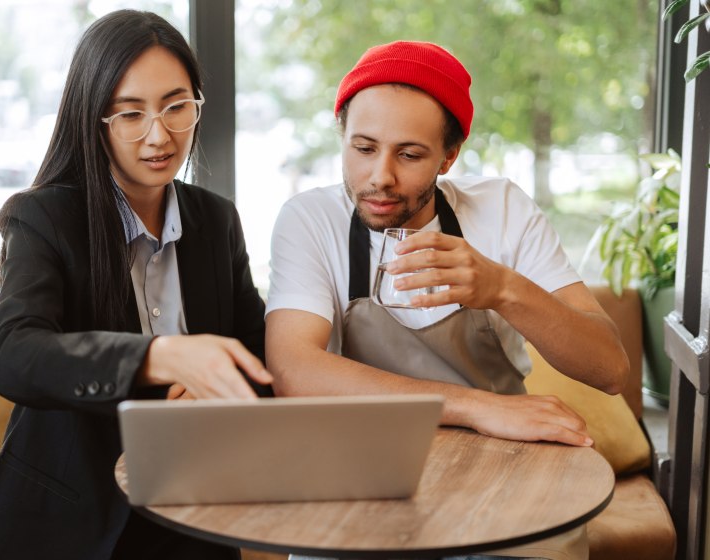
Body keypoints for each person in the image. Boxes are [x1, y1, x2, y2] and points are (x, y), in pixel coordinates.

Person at [265, 41, 630, 560]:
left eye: (410, 155)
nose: (380, 177)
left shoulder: (502, 209)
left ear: (449, 156)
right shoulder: (310, 219)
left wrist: (503, 288)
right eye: (363, 148)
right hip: (364, 470)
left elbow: (609, 367)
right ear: (342, 136)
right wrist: (478, 407)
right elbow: (293, 368)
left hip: (504, 469)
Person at [0, 10, 271, 560]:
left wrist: (216, 389)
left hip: (192, 513)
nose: (159, 135)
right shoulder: (42, 217)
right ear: (94, 119)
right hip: (68, 526)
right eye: (130, 114)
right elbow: (16, 355)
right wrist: (163, 358)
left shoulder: (216, 220)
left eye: (177, 107)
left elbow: (257, 350)